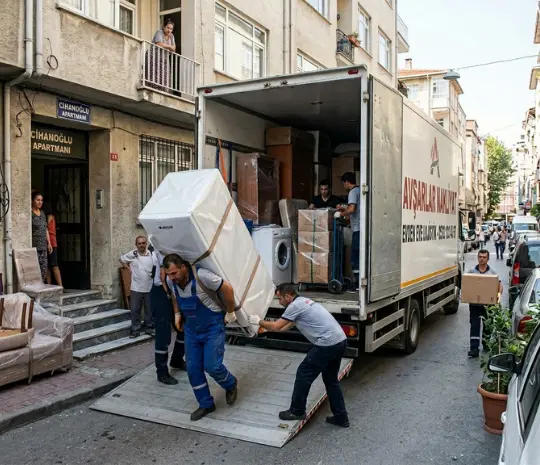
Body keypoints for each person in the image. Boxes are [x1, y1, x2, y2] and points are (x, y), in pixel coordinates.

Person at [249, 283, 349, 427]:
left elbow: (276, 325)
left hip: (327, 344)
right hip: (340, 341)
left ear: (287, 296)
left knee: (303, 374)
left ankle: (297, 411)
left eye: (280, 299)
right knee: (331, 380)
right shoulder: (303, 302)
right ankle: (341, 417)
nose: (280, 302)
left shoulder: (294, 306)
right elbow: (282, 329)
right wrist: (264, 329)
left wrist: (257, 321)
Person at [163, 254, 238, 421]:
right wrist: (177, 313)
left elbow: (228, 289)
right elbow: (175, 296)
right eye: (168, 274)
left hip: (213, 327)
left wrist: (230, 312)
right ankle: (206, 404)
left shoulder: (202, 276)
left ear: (183, 267)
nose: (172, 277)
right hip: (191, 330)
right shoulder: (170, 281)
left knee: (212, 366)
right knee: (193, 368)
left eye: (174, 273)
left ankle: (231, 383)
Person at [150, 246, 186, 385]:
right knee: (163, 334)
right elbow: (162, 275)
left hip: (174, 290)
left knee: (183, 327)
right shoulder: (161, 246)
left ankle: (177, 360)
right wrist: (169, 294)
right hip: (161, 292)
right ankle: (162, 372)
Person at [467, 249, 503, 358]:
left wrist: (498, 296)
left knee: (487, 324)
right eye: (480, 257)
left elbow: (499, 285)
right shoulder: (471, 272)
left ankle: (485, 342)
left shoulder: (492, 272)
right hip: (475, 304)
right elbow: (467, 285)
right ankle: (474, 348)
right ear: (477, 258)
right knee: (475, 325)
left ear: (488, 259)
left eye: (484, 257)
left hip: (488, 305)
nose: (482, 259)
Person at [120, 236, 155, 338]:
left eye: (143, 243)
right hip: (136, 288)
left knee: (149, 310)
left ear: (146, 244)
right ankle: (135, 330)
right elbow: (121, 259)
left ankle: (149, 328)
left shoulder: (151, 254)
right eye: (139, 243)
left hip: (149, 287)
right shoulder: (133, 254)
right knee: (135, 310)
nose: (141, 245)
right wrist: (128, 269)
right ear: (136, 245)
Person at [335, 172, 360, 291]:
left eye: (343, 184)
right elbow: (356, 208)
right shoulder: (359, 190)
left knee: (355, 257)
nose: (344, 186)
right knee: (359, 256)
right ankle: (359, 282)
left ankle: (358, 284)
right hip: (361, 229)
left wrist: (340, 214)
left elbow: (352, 209)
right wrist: (344, 208)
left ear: (347, 182)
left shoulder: (352, 192)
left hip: (358, 229)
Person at [146, 19, 176, 91]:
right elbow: (159, 44)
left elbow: (174, 48)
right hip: (153, 57)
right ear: (163, 27)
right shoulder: (159, 32)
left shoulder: (171, 36)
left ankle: (162, 90)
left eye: (171, 29)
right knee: (154, 74)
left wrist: (170, 47)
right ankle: (152, 89)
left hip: (163, 58)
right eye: (168, 28)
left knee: (164, 75)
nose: (169, 30)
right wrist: (169, 47)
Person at [31, 192, 53, 283]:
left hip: (43, 247)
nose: (40, 202)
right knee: (34, 271)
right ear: (32, 201)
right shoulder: (30, 214)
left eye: (41, 200)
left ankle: (41, 285)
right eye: (37, 200)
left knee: (43, 270)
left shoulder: (42, 213)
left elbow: (45, 229)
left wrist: (49, 243)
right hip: (34, 247)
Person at [45, 208, 64, 290]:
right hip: (46, 242)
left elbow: (45, 226)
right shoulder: (48, 216)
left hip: (51, 242)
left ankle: (60, 286)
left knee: (54, 265)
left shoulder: (50, 216)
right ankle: (49, 286)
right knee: (47, 266)